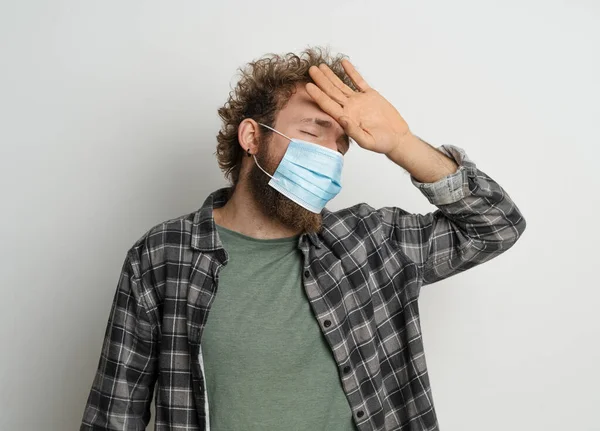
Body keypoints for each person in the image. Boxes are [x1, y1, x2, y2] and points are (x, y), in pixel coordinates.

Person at [80, 47, 526, 431]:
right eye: (312, 133)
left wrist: (401, 144)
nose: (329, 156)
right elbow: (114, 413)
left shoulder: (370, 242)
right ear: (252, 136)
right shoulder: (163, 255)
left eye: (341, 145)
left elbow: (496, 225)